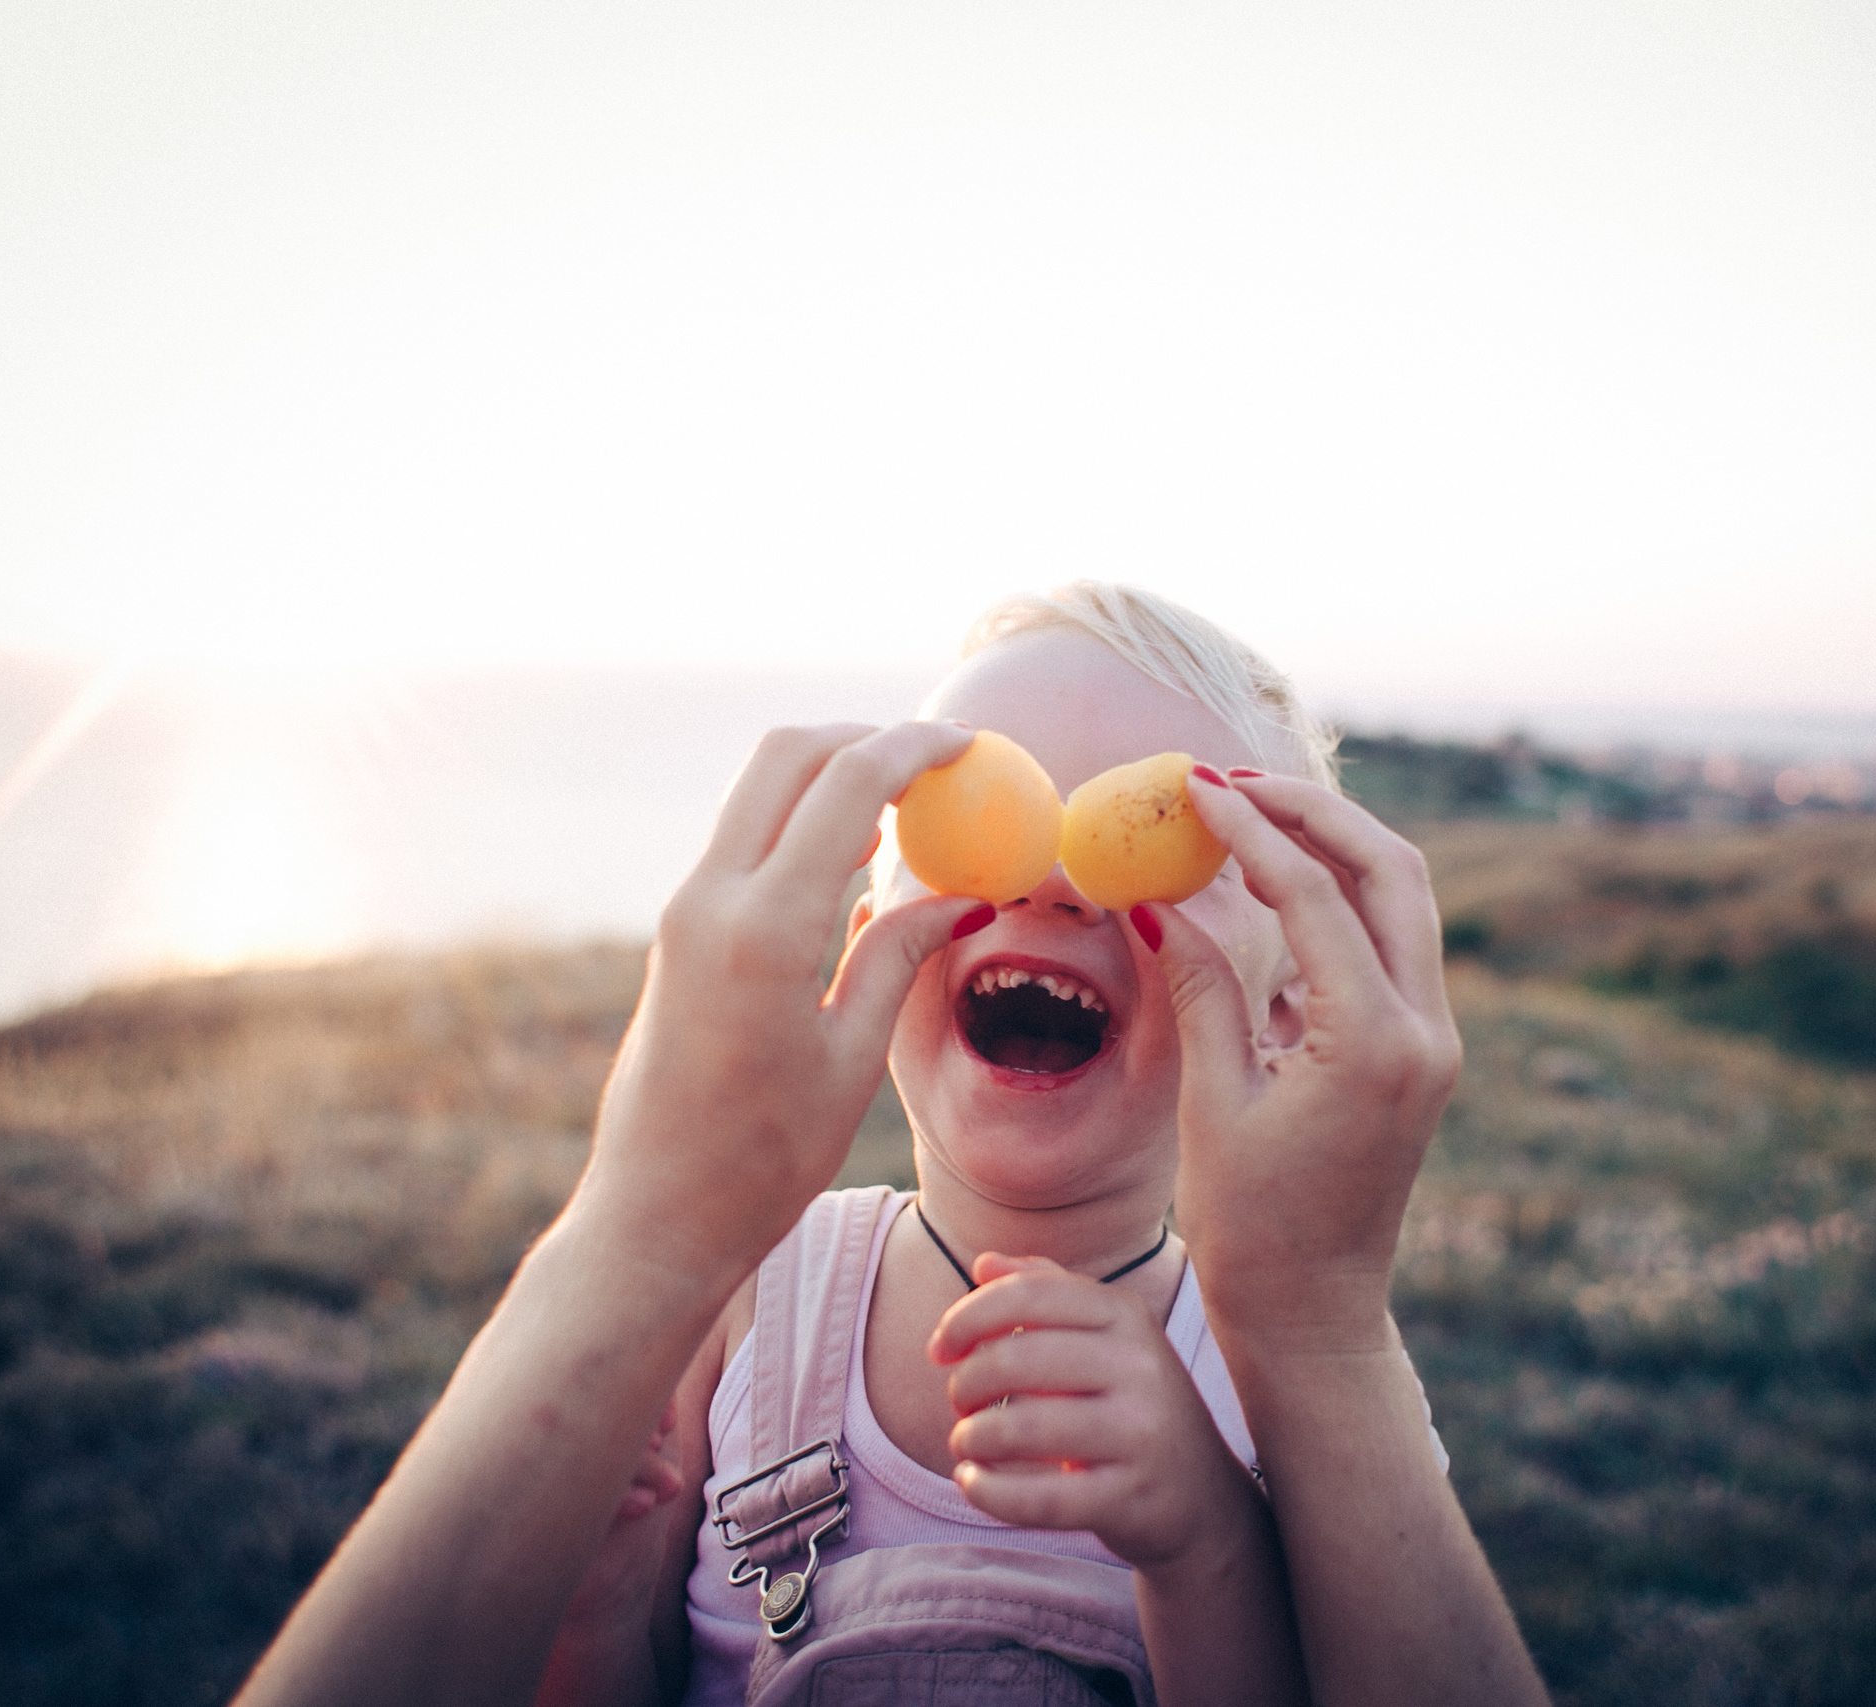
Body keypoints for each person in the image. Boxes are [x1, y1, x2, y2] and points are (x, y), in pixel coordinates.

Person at [234, 585, 1547, 1707]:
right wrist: (594, 1603)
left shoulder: (1289, 1377)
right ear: (868, 922)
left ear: (1284, 1011)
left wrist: (1207, 1536)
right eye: (983, 806)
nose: (1054, 880)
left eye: (1160, 834)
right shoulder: (743, 1294)